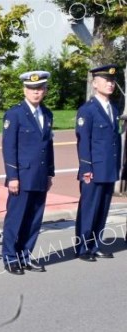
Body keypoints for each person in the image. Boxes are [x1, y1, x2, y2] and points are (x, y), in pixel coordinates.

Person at [1, 71, 54, 275]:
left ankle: (25, 256)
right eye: (32, 89)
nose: (36, 92)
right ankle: (10, 257)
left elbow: (48, 146)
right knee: (16, 218)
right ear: (24, 89)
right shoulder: (15, 114)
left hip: (40, 175)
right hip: (22, 177)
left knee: (34, 220)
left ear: (45, 91)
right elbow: (9, 148)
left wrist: (50, 173)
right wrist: (12, 176)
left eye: (40, 88)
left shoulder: (47, 114)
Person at [74, 65, 121, 261]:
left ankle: (95, 245)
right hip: (93, 169)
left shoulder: (114, 108)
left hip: (109, 168)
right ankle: (83, 248)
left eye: (112, 81)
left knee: (102, 209)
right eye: (106, 80)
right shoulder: (88, 110)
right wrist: (86, 168)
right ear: (95, 84)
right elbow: (83, 141)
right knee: (89, 209)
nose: (110, 84)